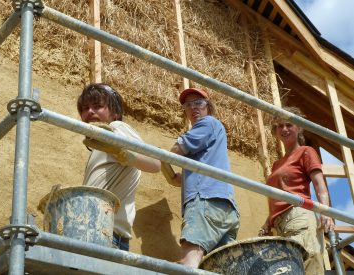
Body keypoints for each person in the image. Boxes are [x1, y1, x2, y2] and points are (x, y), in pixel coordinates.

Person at [77, 83, 161, 251]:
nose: (90, 112)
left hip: (107, 235)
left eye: (98, 106)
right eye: (85, 108)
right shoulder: (99, 147)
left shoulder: (117, 128)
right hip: (94, 231)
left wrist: (120, 150)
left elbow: (155, 163)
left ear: (115, 113)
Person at [259, 106, 334, 275]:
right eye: (279, 126)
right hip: (281, 224)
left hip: (298, 216)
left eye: (289, 125)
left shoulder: (306, 151)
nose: (284, 129)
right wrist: (267, 222)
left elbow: (318, 183)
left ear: (299, 127)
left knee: (307, 266)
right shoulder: (277, 164)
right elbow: (280, 196)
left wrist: (325, 211)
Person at [170, 87, 239, 268]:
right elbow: (204, 164)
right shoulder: (215, 131)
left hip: (205, 202)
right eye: (188, 105)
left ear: (208, 106)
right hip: (226, 209)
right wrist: (183, 178)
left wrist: (160, 155)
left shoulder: (207, 123)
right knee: (218, 268)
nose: (193, 108)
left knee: (189, 262)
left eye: (198, 103)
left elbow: (177, 150)